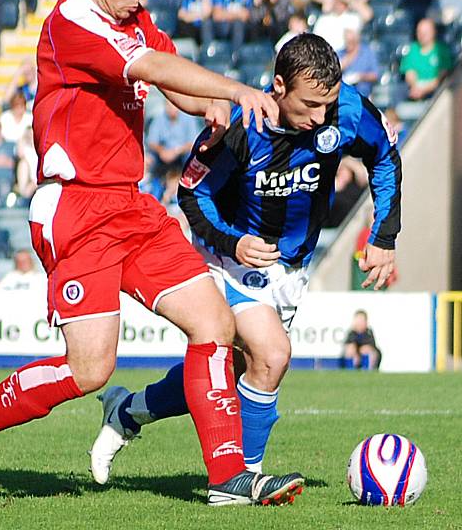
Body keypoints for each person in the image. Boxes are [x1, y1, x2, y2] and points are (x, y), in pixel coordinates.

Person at [0, 0, 301, 508]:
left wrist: (204, 103)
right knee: (90, 370)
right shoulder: (73, 23)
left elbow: (165, 75)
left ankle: (228, 478)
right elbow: (149, 65)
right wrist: (233, 88)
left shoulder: (128, 14)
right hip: (75, 209)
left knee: (215, 324)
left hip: (130, 205)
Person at [88, 33, 401, 483]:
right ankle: (243, 479)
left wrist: (385, 235)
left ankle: (129, 411)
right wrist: (233, 242)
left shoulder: (347, 111)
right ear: (278, 86)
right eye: (309, 104)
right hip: (231, 259)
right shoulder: (239, 125)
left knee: (233, 370)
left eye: (326, 104)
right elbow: (193, 195)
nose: (319, 117)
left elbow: (385, 157)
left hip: (292, 266)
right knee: (273, 355)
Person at [399, 18, 453, 101]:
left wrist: (423, 90)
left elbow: (441, 76)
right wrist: (416, 88)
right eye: (419, 32)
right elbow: (409, 74)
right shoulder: (412, 49)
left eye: (426, 32)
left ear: (434, 32)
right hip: (414, 92)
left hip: (436, 95)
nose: (422, 35)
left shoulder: (442, 50)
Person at [338, 24, 380, 98]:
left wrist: (360, 77)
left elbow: (375, 75)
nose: (349, 44)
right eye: (347, 41)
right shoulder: (340, 53)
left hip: (363, 94)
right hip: (343, 94)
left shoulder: (368, 53)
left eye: (352, 41)